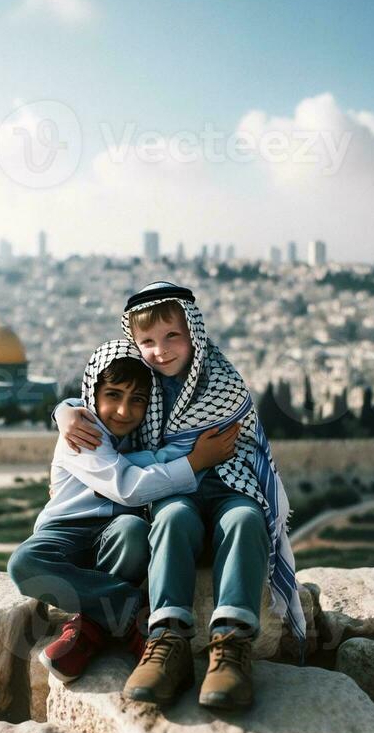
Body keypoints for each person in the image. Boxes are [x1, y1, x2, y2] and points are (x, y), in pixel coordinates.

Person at [55, 283, 307, 711]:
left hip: (229, 488)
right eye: (148, 341)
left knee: (245, 521)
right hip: (173, 492)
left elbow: (244, 443)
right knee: (171, 519)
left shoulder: (221, 380)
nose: (161, 351)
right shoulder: (140, 382)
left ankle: (231, 648)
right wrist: (63, 411)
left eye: (173, 336)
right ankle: (168, 641)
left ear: (194, 332)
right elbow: (97, 399)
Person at [8, 338, 238, 684]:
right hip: (65, 533)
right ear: (93, 394)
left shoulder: (143, 434)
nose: (124, 411)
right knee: (24, 564)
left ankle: (91, 626)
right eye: (113, 395)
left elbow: (152, 466)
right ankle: (132, 611)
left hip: (115, 535)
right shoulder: (84, 431)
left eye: (138, 400)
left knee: (132, 531)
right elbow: (127, 487)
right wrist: (194, 463)